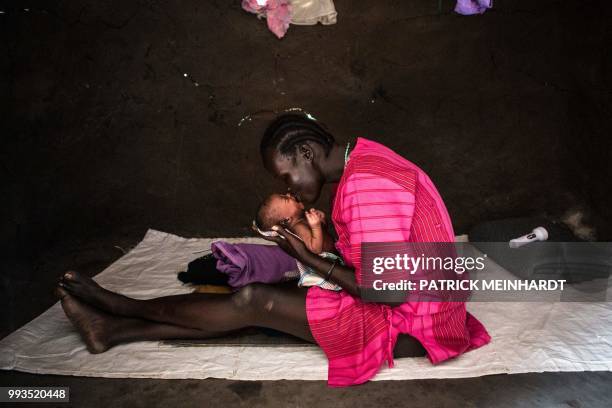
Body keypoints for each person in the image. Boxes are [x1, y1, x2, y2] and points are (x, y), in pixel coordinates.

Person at [55, 113, 490, 387]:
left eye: (286, 177)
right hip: (425, 306)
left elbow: (389, 292)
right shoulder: (365, 156)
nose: (289, 189)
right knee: (260, 309)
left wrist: (308, 258)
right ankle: (112, 330)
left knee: (254, 300)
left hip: (412, 325)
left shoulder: (366, 185)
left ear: (306, 151)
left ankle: (122, 308)